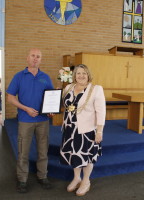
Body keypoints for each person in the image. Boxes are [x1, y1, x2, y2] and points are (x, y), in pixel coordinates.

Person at [6, 48, 54, 193]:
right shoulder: (19, 76)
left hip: (43, 120)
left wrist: (51, 108)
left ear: (41, 60)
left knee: (43, 151)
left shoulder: (45, 77)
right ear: (27, 58)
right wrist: (25, 108)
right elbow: (10, 98)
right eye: (33, 56)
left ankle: (42, 176)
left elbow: (50, 97)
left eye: (38, 57)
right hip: (25, 120)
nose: (35, 58)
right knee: (23, 151)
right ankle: (22, 179)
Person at [60, 64, 106, 196]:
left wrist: (99, 131)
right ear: (74, 75)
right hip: (70, 128)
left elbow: (101, 112)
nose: (81, 76)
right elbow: (63, 105)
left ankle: (86, 181)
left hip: (86, 130)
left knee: (86, 156)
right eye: (78, 73)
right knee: (74, 155)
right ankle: (76, 178)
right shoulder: (68, 87)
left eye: (84, 73)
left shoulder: (96, 89)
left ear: (88, 75)